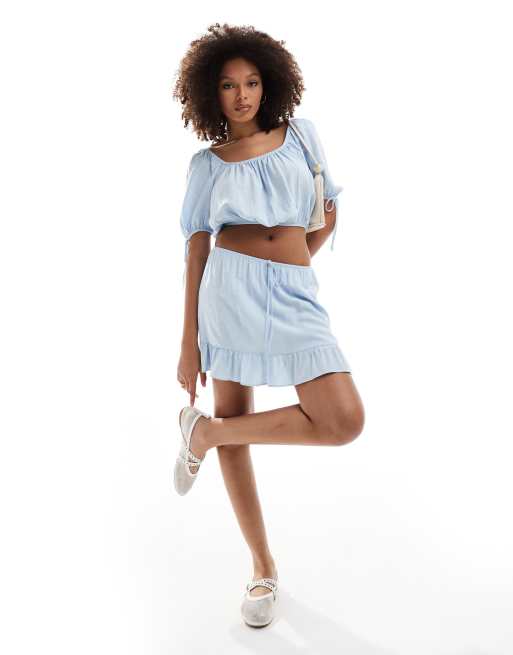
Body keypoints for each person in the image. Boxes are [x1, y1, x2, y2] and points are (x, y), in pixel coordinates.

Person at [172, 22, 365, 628]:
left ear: (269, 82)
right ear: (211, 93)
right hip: (228, 290)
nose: (243, 95)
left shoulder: (302, 135)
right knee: (237, 414)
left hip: (293, 293)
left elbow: (325, 215)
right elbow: (196, 251)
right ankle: (262, 567)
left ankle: (204, 436)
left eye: (252, 82)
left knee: (343, 420)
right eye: (229, 85)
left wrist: (293, 267)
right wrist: (187, 343)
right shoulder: (207, 165)